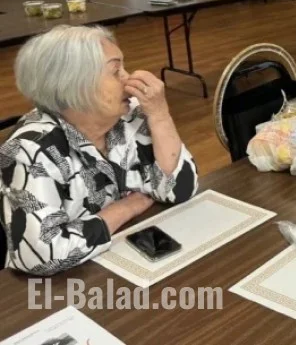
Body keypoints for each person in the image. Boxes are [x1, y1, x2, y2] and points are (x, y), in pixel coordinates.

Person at [0, 26, 198, 275]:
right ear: (74, 85)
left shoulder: (132, 115)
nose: (129, 79)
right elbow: (44, 255)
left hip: (125, 258)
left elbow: (180, 189)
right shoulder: (30, 150)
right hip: (60, 290)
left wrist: (160, 115)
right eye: (116, 71)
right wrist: (124, 208)